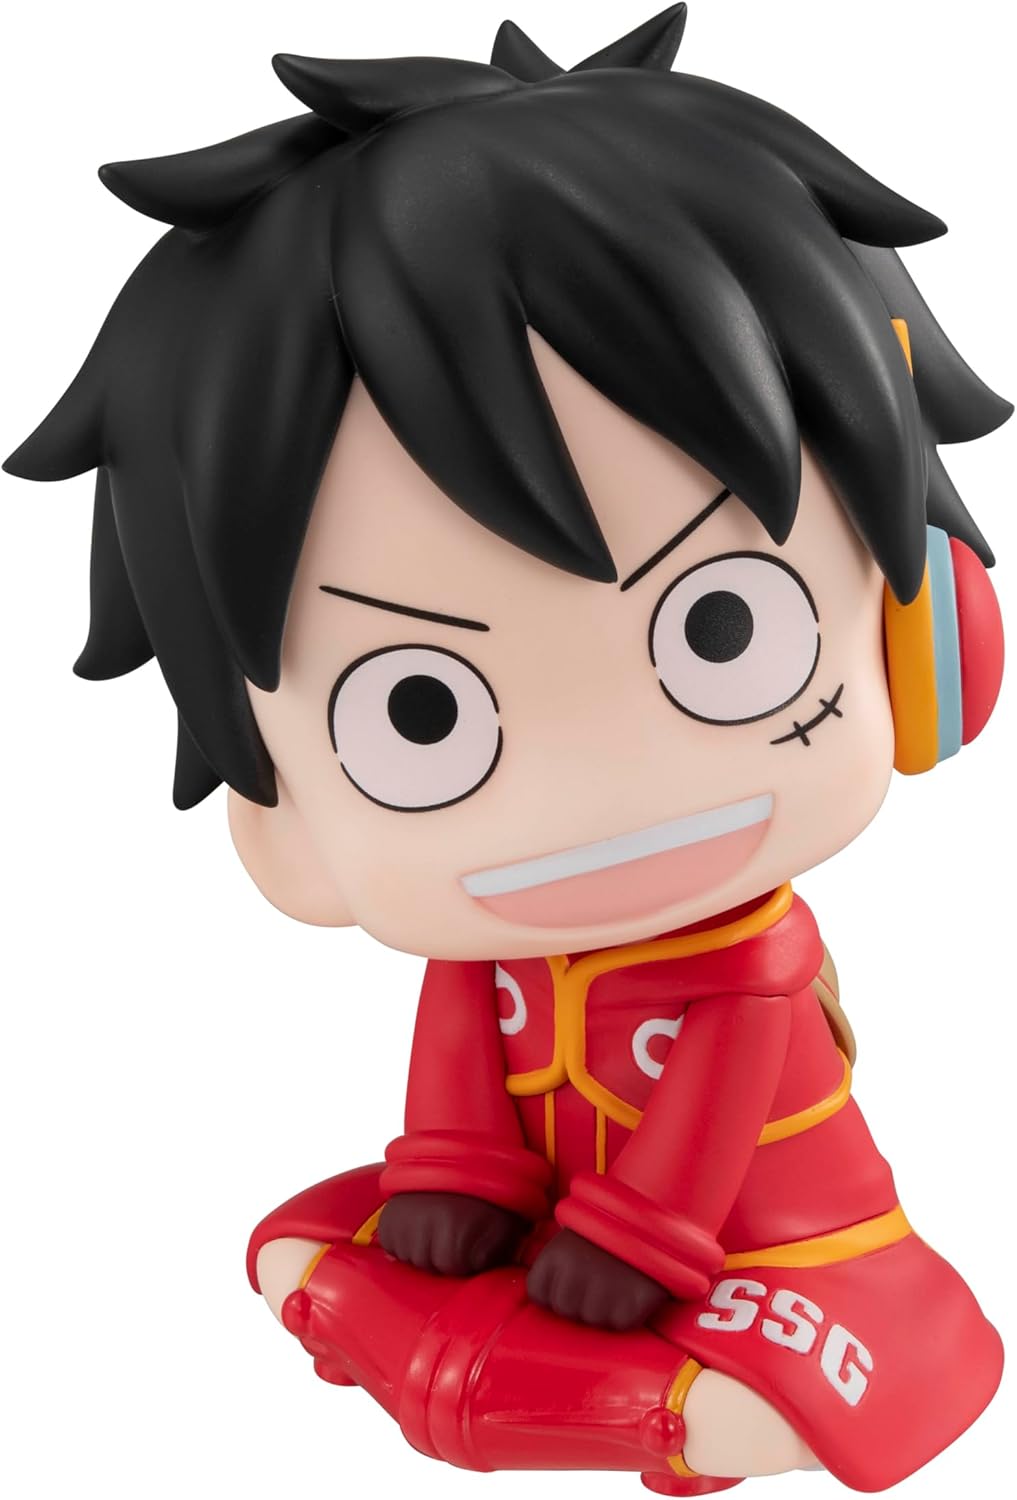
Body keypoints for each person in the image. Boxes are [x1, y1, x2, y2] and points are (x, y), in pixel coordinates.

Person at [5, 6, 1008, 1493]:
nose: (598, 793)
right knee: (291, 1244)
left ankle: (574, 1398)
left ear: (932, 642)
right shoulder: (481, 953)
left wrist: (638, 1243)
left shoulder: (749, 969)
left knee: (791, 1395)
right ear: (281, 817)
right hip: (556, 1223)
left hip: (776, 1240)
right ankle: (565, 1391)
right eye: (416, 717)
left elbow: (713, 1117)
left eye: (724, 628)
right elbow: (460, 1059)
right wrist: (458, 1174)